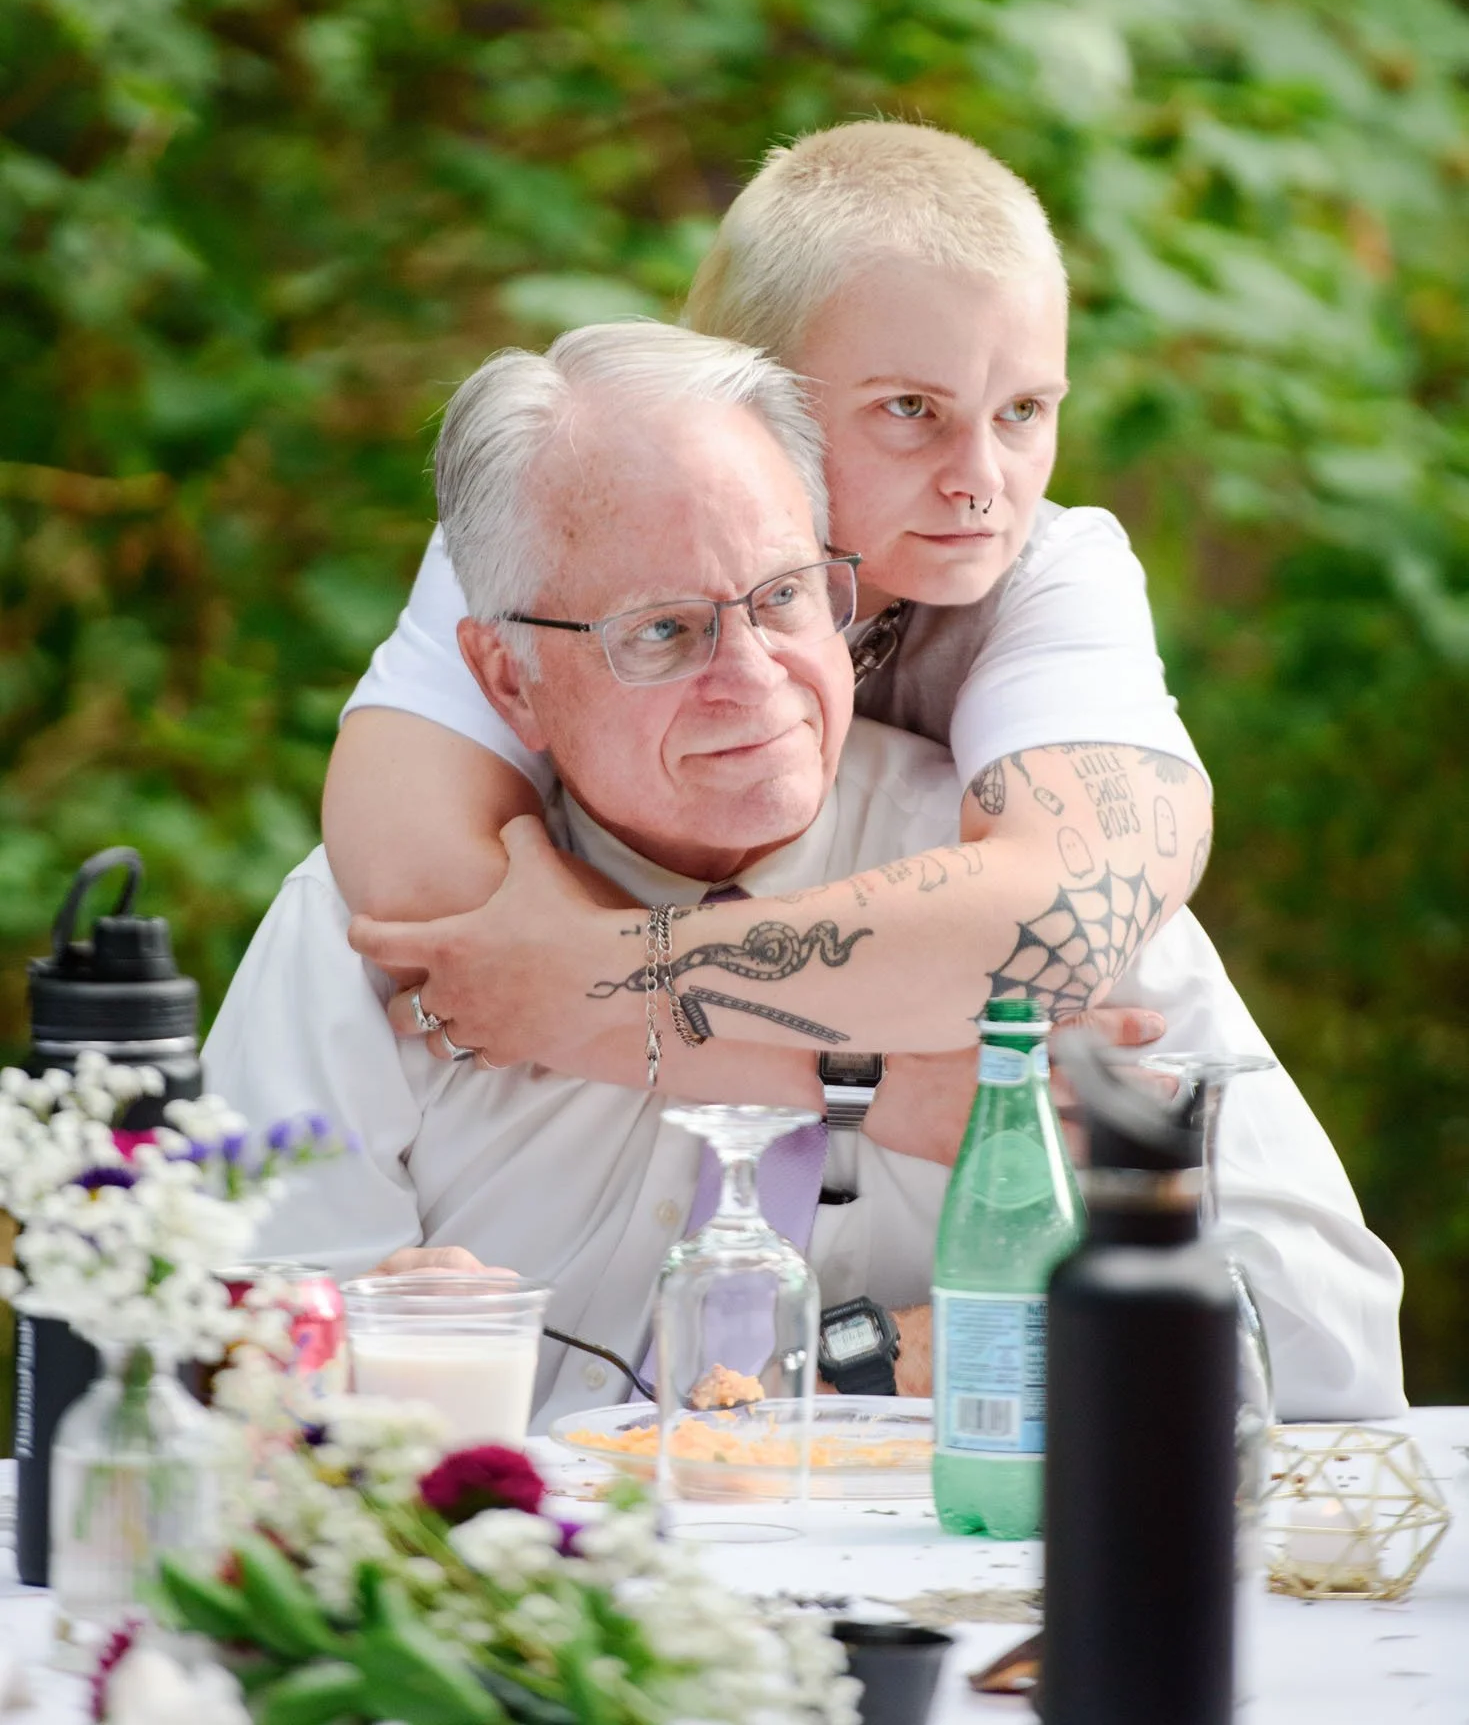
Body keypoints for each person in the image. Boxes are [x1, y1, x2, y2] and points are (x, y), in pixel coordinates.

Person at [207, 323, 1405, 1425]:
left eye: (784, 597)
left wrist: (885, 1359)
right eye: (663, 632)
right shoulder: (391, 927)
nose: (757, 676)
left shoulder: (1027, 890)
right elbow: (203, 1358)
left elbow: (1326, 1334)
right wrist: (339, 1339)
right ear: (508, 677)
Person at [325, 122, 1213, 1067]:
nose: (982, 481)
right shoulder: (561, 512)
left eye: (1024, 411)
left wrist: (618, 979)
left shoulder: (1050, 573)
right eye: (910, 410)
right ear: (745, 384)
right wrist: (868, 1097)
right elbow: (422, 891)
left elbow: (1066, 919)